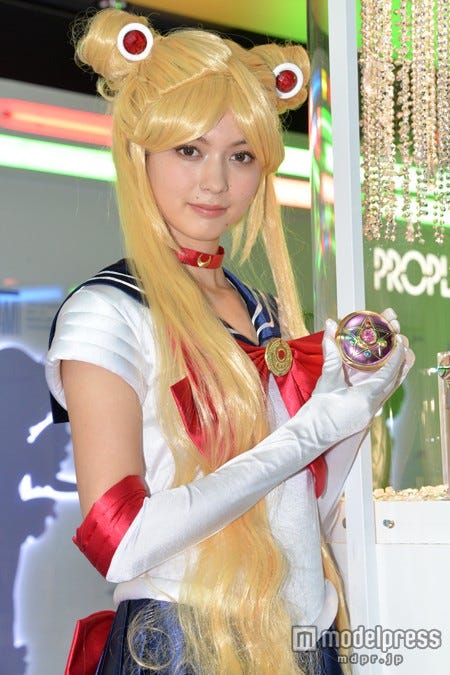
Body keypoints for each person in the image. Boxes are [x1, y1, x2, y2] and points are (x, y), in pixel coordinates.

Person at [45, 8, 413, 675]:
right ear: (141, 152)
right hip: (182, 645)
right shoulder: (107, 313)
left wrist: (353, 411)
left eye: (240, 155)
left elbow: (295, 513)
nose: (215, 181)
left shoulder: (262, 312)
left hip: (303, 644)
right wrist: (306, 433)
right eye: (189, 150)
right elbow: (120, 540)